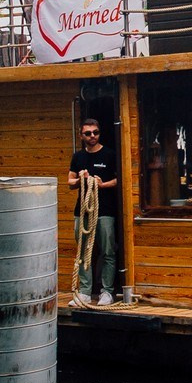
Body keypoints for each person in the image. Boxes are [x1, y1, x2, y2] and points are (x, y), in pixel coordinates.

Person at [67, 116, 120, 307]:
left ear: (100, 133)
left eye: (95, 133)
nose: (92, 136)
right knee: (83, 251)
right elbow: (70, 182)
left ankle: (107, 292)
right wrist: (81, 179)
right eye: (88, 133)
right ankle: (85, 292)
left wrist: (102, 184)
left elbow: (118, 180)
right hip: (82, 211)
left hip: (105, 210)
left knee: (107, 251)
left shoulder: (110, 155)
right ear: (81, 135)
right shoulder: (78, 157)